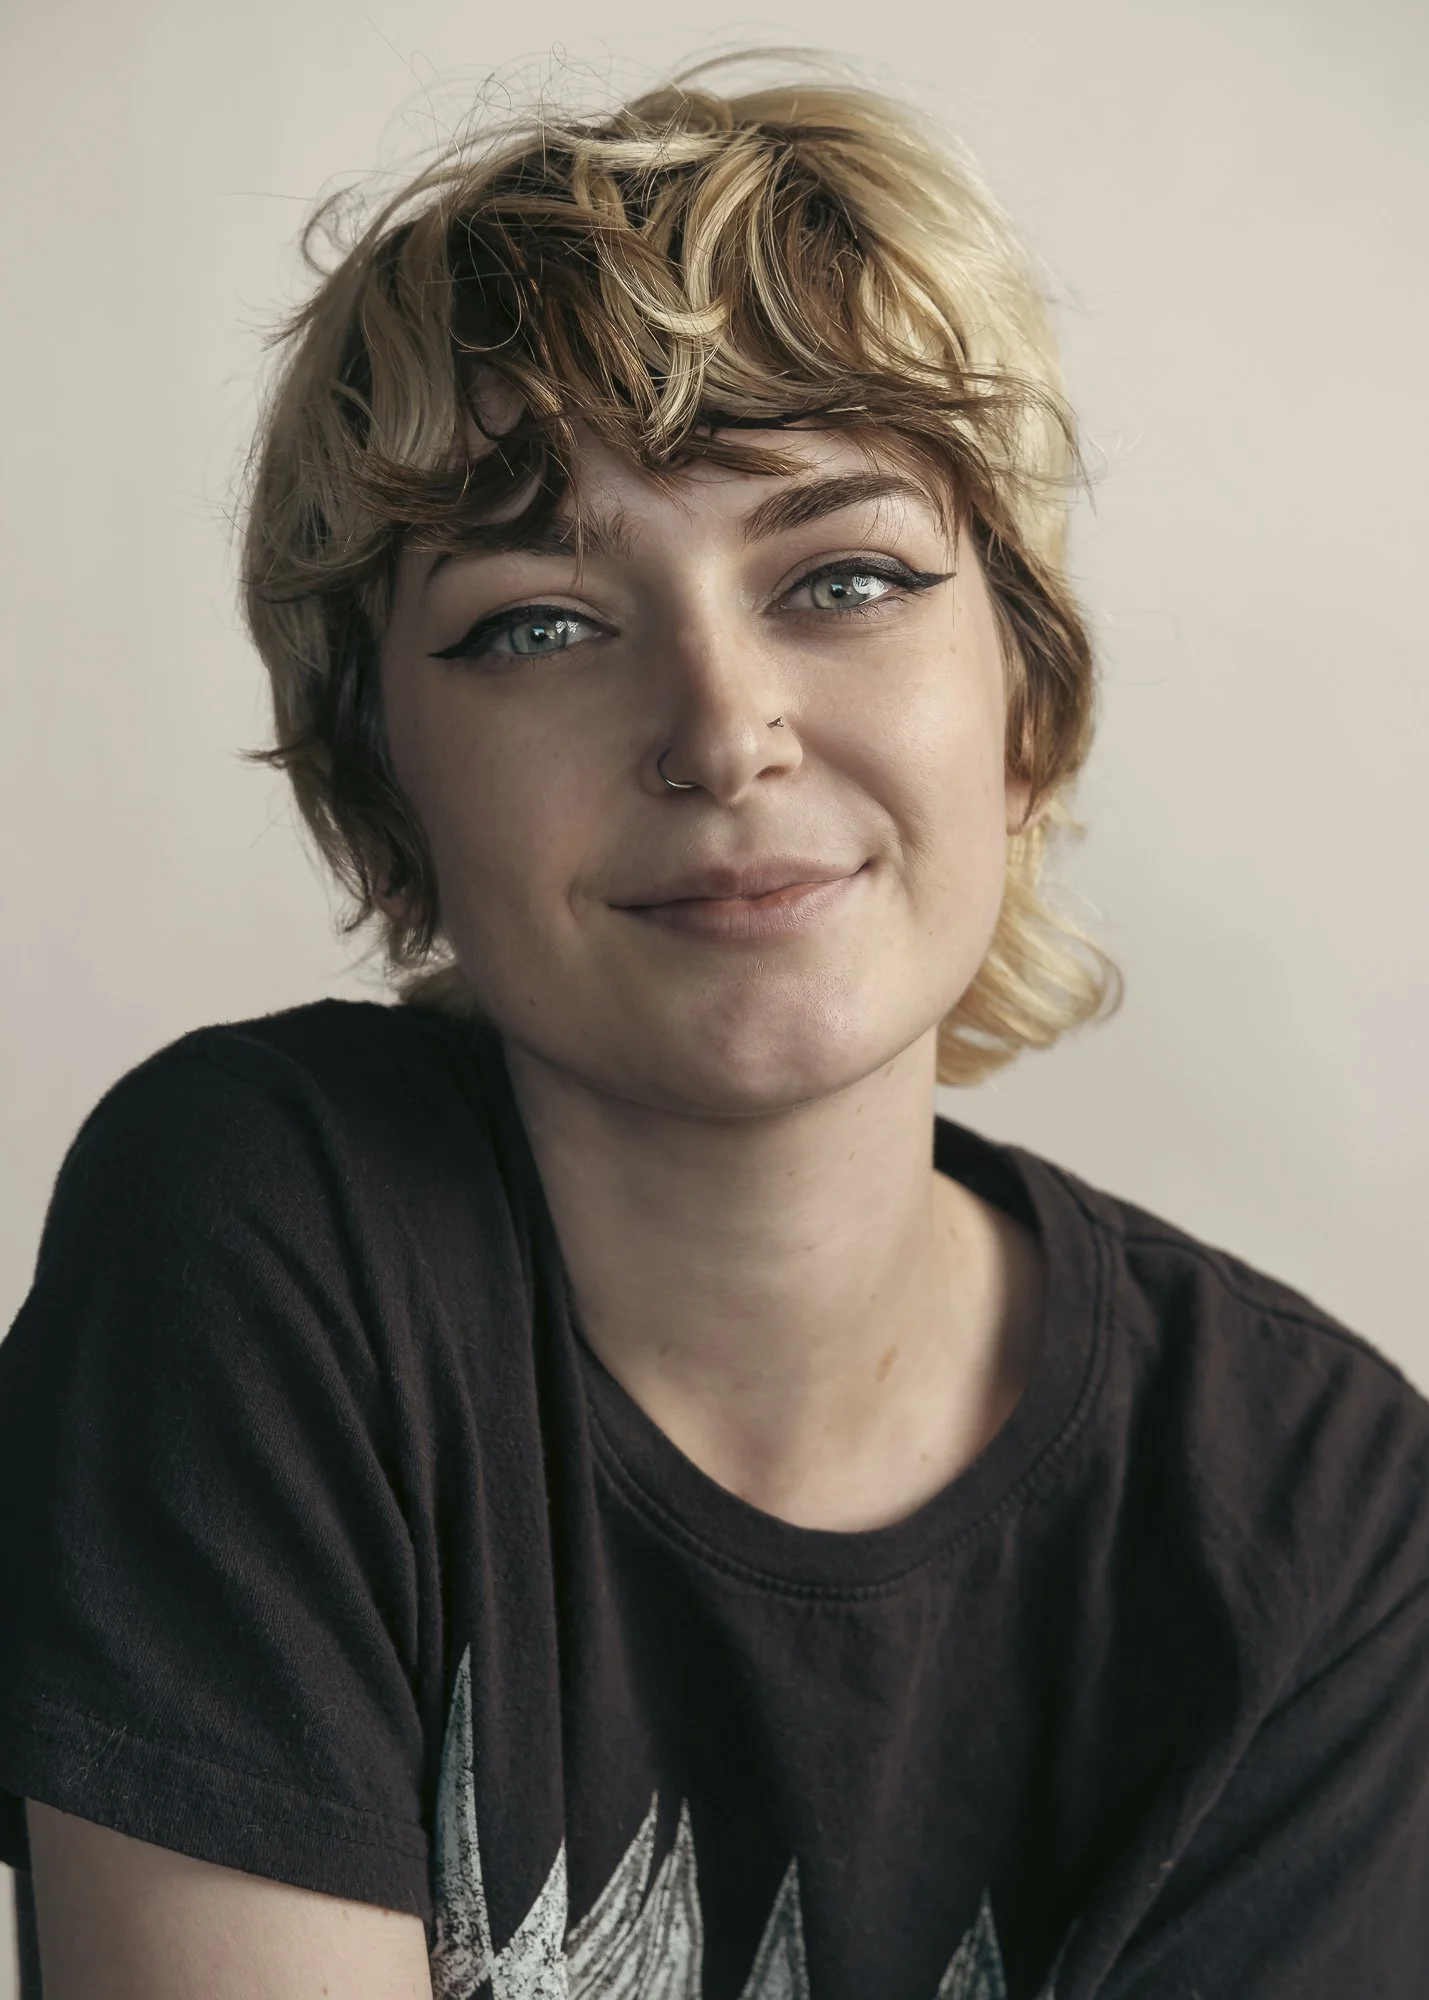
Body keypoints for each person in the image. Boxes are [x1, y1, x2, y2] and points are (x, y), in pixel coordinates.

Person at [1, 49, 1426, 2000]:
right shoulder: (262, 1237)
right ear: (381, 806)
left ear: (1027, 717)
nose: (722, 728)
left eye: (843, 578)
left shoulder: (1325, 1521)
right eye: (541, 622)